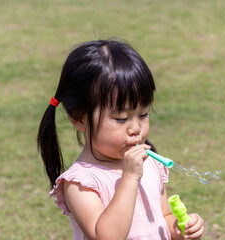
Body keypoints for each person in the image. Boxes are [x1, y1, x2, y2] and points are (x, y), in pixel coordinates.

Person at [37, 39, 205, 240]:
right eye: (121, 118)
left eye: (143, 114)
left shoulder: (149, 163)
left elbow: (164, 217)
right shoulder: (81, 182)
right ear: (79, 118)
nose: (135, 128)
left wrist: (178, 229)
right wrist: (129, 178)